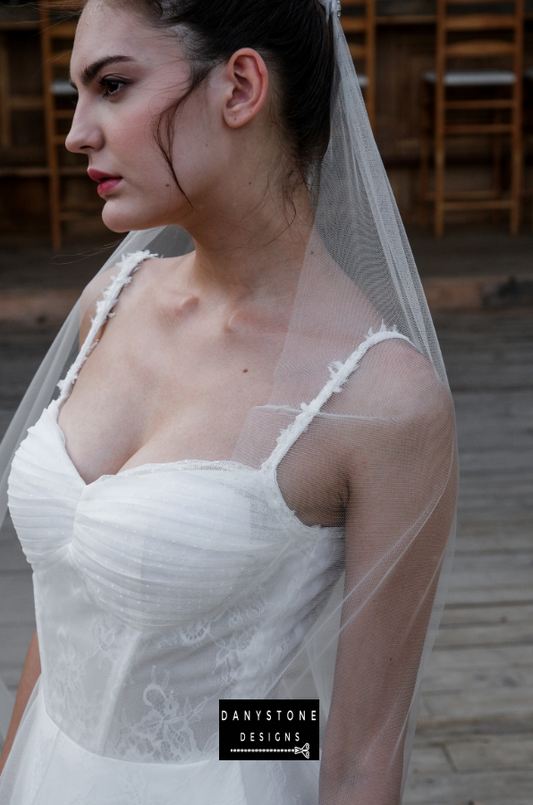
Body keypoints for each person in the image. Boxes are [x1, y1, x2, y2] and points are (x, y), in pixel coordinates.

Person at [0, 0, 458, 802]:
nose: (75, 133)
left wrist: (219, 754)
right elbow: (70, 604)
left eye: (113, 85)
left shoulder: (381, 399)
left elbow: (359, 753)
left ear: (240, 87)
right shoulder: (112, 300)